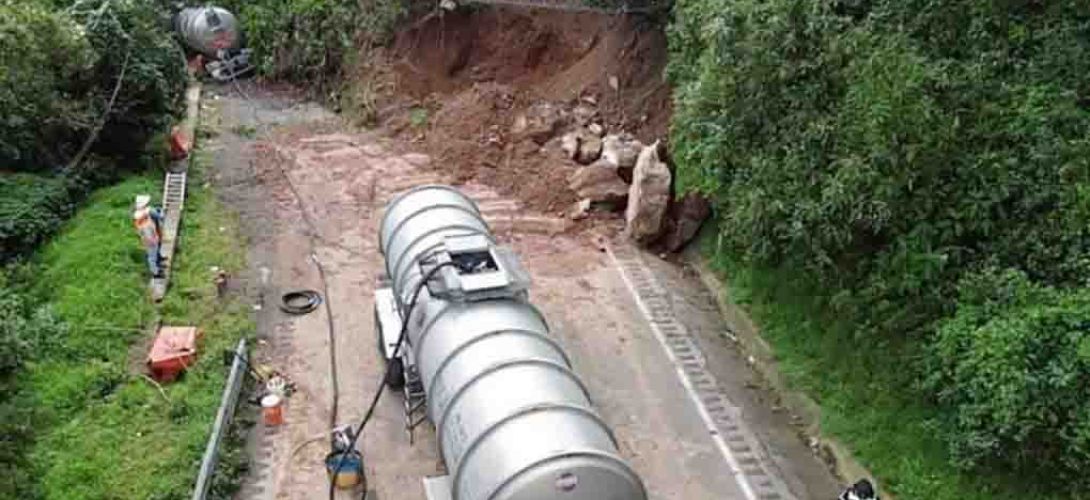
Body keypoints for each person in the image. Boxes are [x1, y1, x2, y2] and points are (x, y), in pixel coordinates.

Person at [133, 195, 165, 278]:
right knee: (152, 256)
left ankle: (156, 269)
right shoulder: (143, 222)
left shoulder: (141, 217)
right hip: (150, 240)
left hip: (150, 238)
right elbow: (147, 233)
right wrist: (153, 240)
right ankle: (155, 273)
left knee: (152, 255)